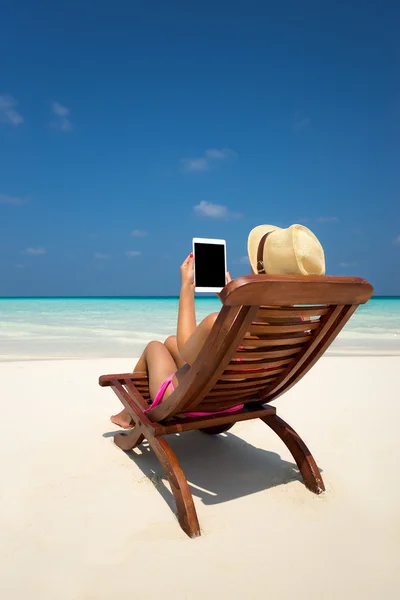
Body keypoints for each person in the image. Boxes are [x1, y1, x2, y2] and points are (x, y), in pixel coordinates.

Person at [111, 223, 326, 429]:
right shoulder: (301, 326)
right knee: (171, 342)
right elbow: (248, 339)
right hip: (234, 399)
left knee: (155, 346)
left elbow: (187, 351)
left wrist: (186, 287)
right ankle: (129, 413)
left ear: (259, 269)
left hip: (189, 403)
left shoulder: (217, 322)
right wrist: (230, 302)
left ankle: (129, 414)